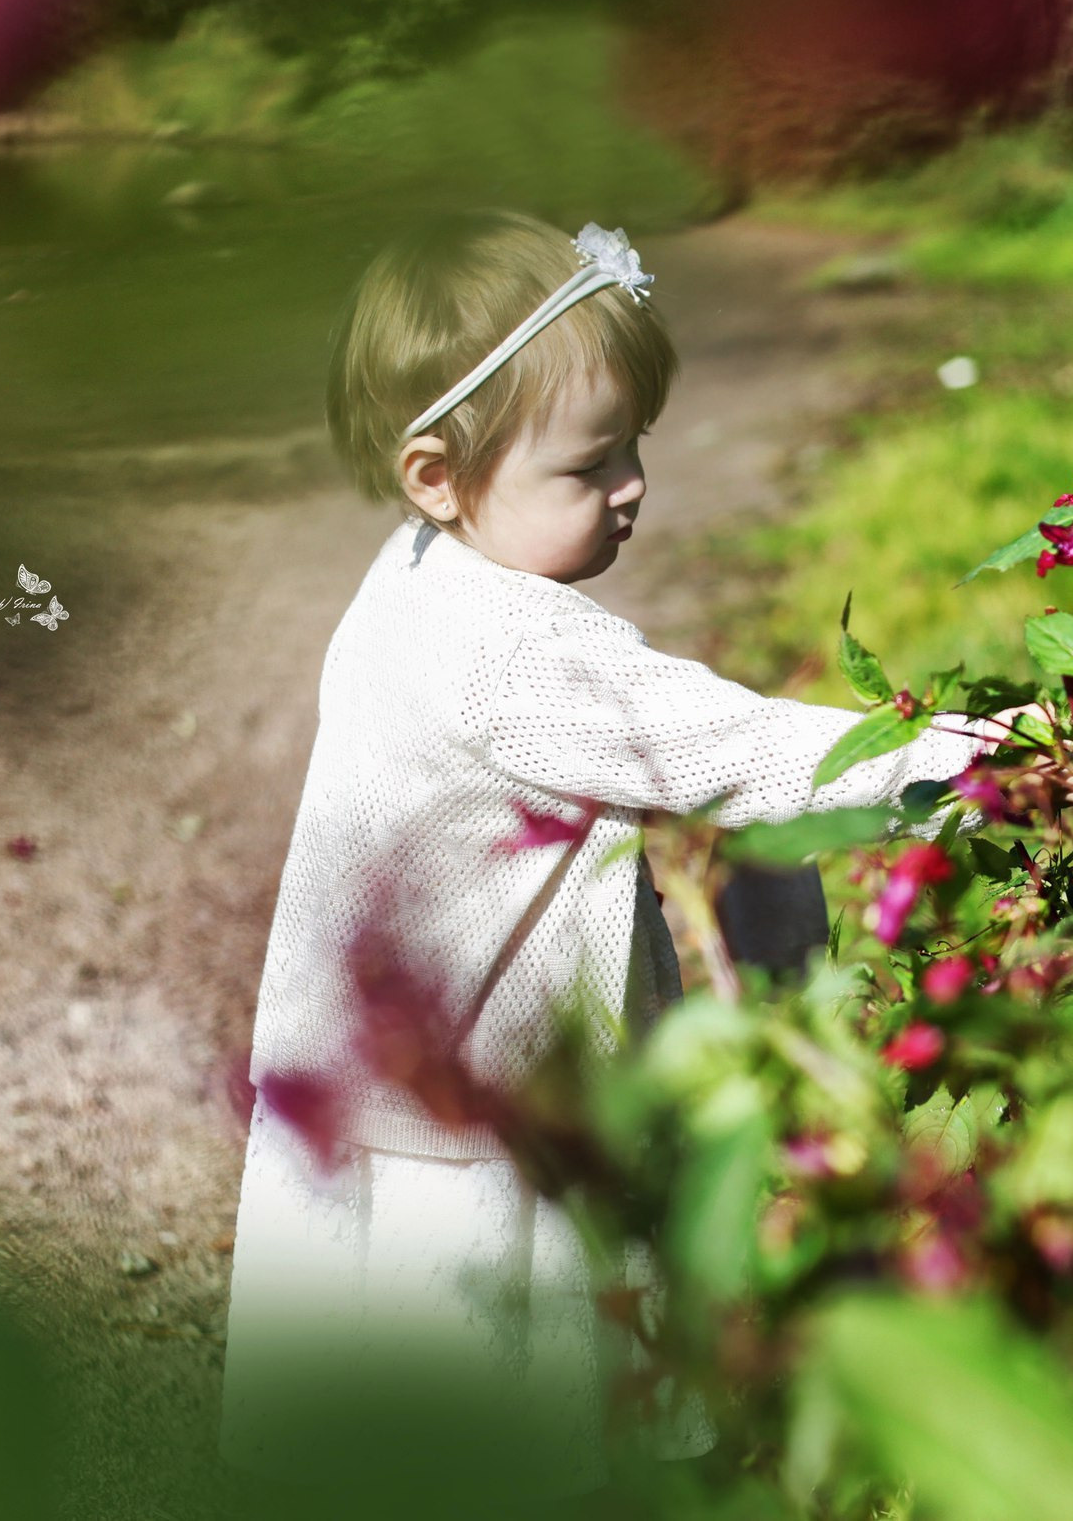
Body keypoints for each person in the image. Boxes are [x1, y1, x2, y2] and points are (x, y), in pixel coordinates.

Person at [218, 212, 1005, 1503]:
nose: (635, 484)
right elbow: (736, 750)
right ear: (435, 473)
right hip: (464, 1135)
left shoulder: (415, 576)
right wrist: (980, 757)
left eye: (632, 444)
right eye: (592, 466)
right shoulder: (511, 657)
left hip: (377, 1092)